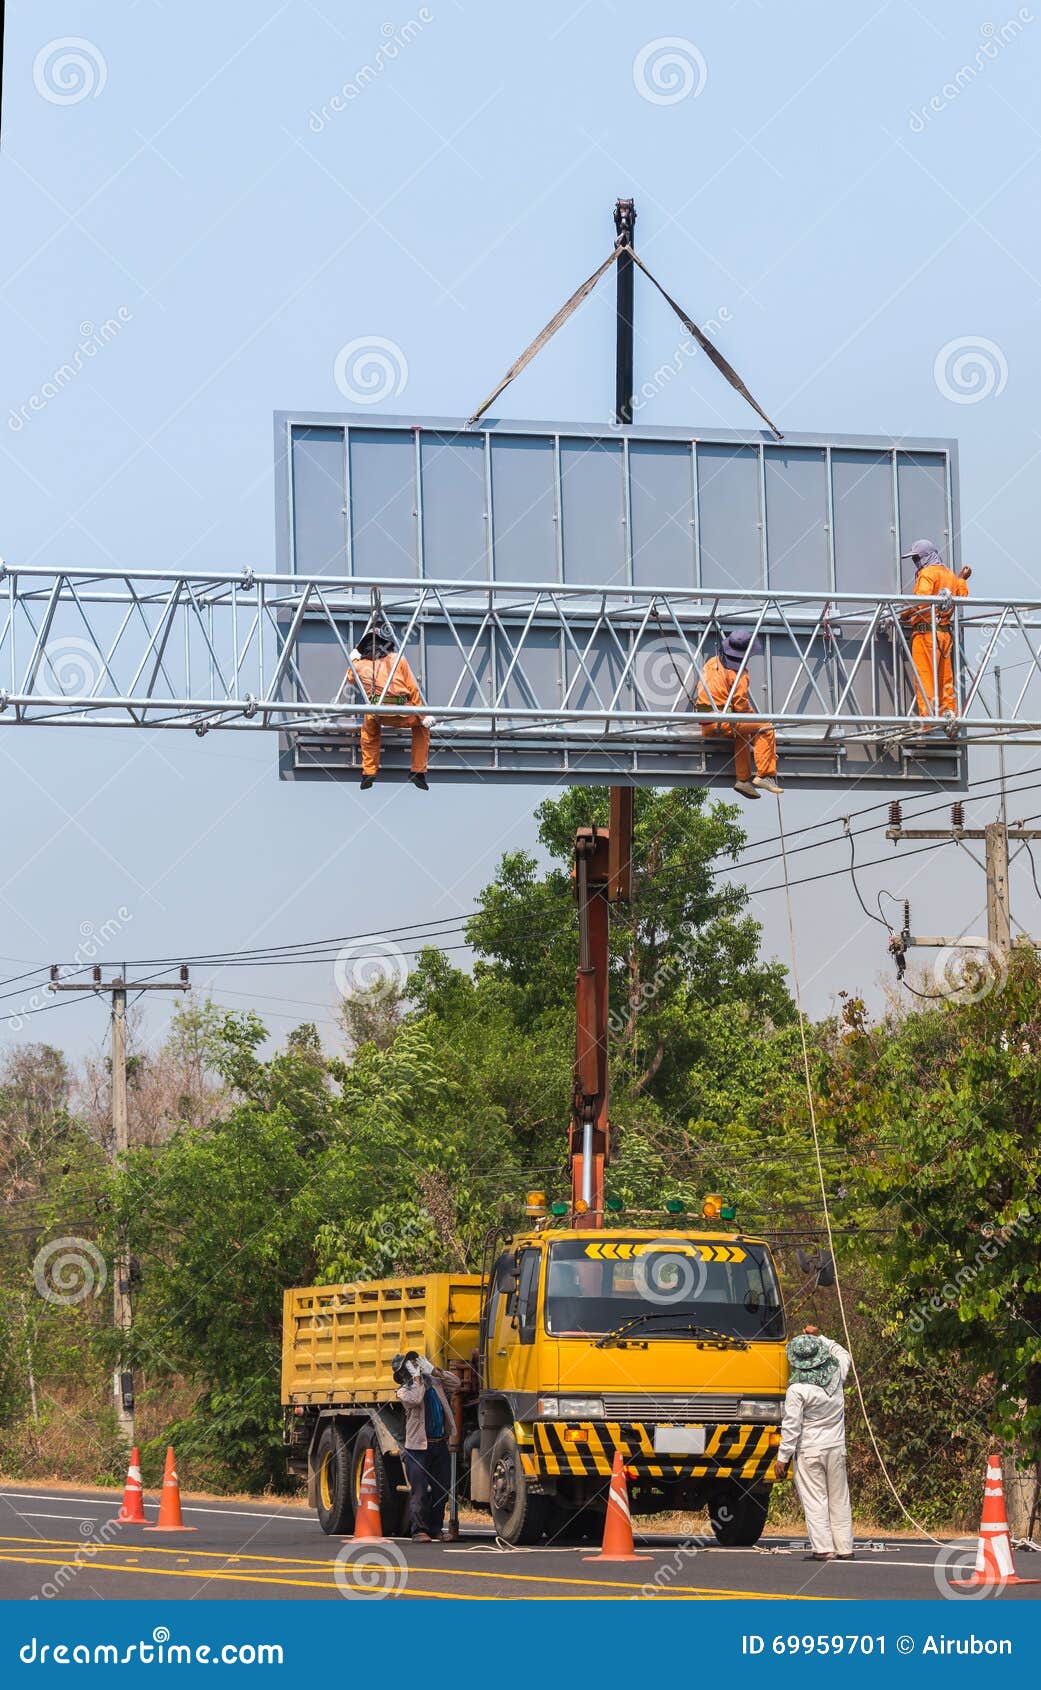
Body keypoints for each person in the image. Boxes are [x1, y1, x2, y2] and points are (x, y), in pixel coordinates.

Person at [775, 1324, 854, 1561]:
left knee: (815, 1499)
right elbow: (843, 1353)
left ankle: (823, 1548)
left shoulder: (797, 1389)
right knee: (839, 1498)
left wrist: (782, 1458)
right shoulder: (837, 1374)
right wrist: (821, 1337)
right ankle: (845, 1548)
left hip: (809, 1450)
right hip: (836, 1447)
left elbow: (791, 1427)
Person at [696, 630, 782, 799]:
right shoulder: (738, 674)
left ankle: (743, 780)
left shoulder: (712, 663)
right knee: (765, 726)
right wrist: (757, 723)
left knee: (742, 734)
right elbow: (741, 706)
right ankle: (765, 775)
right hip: (722, 722)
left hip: (706, 723)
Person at [345, 628, 431, 791]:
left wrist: (354, 658)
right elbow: (413, 690)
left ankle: (368, 772)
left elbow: (350, 678)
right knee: (422, 728)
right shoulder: (398, 659)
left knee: (369, 730)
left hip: (378, 713)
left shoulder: (359, 665)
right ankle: (418, 771)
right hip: (402, 710)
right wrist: (423, 716)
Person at [899, 539, 969, 731]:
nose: (916, 563)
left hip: (926, 635)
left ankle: (928, 720)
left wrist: (903, 615)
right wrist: (962, 579)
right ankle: (949, 717)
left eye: (917, 558)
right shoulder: (950, 576)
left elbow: (921, 601)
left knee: (925, 677)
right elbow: (961, 597)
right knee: (945, 678)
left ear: (927, 557)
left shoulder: (927, 573)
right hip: (945, 636)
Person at [392, 1350, 458, 1542]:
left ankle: (436, 1528)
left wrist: (436, 1372)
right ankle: (419, 1530)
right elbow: (416, 1399)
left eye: (415, 1363)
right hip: (416, 1449)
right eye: (410, 1365)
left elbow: (456, 1383)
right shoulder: (404, 1391)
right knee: (419, 1490)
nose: (415, 1366)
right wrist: (417, 1378)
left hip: (438, 1444)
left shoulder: (436, 1384)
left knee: (442, 1489)